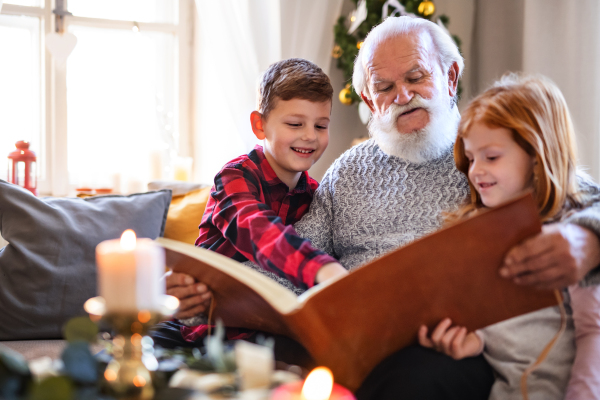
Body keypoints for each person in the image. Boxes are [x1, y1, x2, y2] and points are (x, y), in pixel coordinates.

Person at [167, 16, 600, 399]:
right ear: (369, 101)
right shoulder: (347, 172)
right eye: (385, 87)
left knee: (413, 379)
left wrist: (586, 240)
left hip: (438, 348)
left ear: (450, 77)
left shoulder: (485, 154)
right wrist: (213, 295)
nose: (403, 95)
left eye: (416, 77)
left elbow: (576, 192)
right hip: (352, 339)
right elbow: (293, 258)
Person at [417, 74, 600, 400]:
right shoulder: (482, 229)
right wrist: (474, 341)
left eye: (491, 157)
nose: (475, 171)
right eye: (471, 158)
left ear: (536, 154)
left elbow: (594, 333)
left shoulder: (571, 230)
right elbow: (502, 321)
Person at [153, 58, 347, 356]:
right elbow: (259, 233)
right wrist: (324, 270)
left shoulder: (316, 194)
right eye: (295, 124)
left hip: (260, 331)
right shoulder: (234, 176)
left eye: (321, 125)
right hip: (197, 328)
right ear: (260, 125)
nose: (310, 135)